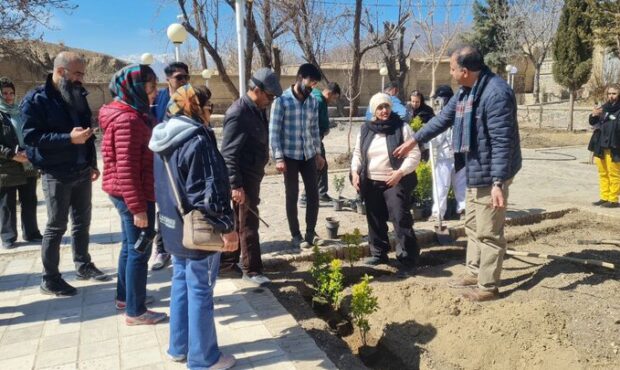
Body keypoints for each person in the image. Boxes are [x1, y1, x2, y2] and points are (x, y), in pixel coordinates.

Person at [393, 45, 522, 302]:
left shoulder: (495, 94)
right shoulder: (465, 92)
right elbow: (443, 120)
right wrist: (414, 140)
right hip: (474, 165)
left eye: (452, 68)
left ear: (464, 71)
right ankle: (474, 271)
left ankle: (488, 286)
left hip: (492, 171)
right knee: (473, 224)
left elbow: (502, 142)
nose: (450, 73)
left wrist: (498, 182)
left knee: (489, 232)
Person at [149, 84, 238, 370]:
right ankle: (204, 359)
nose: (211, 114)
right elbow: (208, 192)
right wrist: (226, 226)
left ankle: (179, 347)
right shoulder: (196, 140)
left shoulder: (162, 136)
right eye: (208, 108)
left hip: (172, 225)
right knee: (200, 288)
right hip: (197, 227)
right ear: (196, 107)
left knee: (180, 283)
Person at [21, 51, 109, 297]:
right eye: (78, 73)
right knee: (56, 226)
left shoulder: (78, 94)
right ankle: (50, 279)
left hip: (81, 170)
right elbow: (31, 137)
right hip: (56, 173)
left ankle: (83, 266)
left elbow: (85, 132)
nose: (82, 78)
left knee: (82, 223)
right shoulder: (36, 100)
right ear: (60, 72)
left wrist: (91, 162)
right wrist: (67, 138)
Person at [99, 64, 167, 325]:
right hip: (132, 194)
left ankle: (125, 297)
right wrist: (138, 208)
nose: (155, 93)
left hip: (129, 191)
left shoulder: (133, 113)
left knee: (130, 246)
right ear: (136, 89)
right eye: (151, 88)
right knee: (140, 249)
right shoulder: (127, 120)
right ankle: (136, 311)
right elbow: (126, 168)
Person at [219, 68, 282, 285]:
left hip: (252, 177)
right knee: (248, 223)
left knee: (240, 221)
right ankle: (252, 270)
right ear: (257, 89)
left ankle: (228, 264)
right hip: (243, 179)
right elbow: (228, 153)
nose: (271, 100)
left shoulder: (256, 108)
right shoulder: (238, 112)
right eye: (270, 96)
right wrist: (235, 185)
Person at [351, 93, 421, 267]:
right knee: (374, 218)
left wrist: (400, 172)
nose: (384, 111)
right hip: (371, 181)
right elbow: (358, 154)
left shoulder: (402, 128)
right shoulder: (366, 129)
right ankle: (379, 253)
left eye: (387, 107)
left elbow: (414, 155)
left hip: (394, 181)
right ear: (373, 110)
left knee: (400, 217)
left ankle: (407, 256)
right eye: (380, 108)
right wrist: (354, 172)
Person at [269, 63, 326, 249]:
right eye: (311, 82)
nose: (313, 87)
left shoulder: (312, 102)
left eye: (315, 84)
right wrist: (278, 157)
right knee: (291, 195)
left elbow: (314, 129)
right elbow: (274, 131)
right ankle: (296, 234)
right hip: (289, 156)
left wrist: (318, 153)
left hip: (308, 154)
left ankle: (311, 232)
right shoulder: (282, 101)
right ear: (301, 78)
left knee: (313, 194)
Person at [150, 61, 190, 271]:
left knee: (184, 204)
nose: (183, 81)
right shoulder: (159, 101)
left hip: (185, 161)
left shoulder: (191, 98)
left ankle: (185, 244)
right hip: (163, 161)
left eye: (186, 77)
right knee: (164, 206)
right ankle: (162, 248)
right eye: (179, 78)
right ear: (168, 80)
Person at [0, 77, 42, 249]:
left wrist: (31, 152)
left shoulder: (20, 111)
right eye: (5, 93)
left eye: (11, 93)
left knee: (29, 200)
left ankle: (31, 233)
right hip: (7, 166)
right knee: (7, 203)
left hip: (27, 164)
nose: (9, 96)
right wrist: (11, 155)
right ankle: (8, 236)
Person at [428, 85, 466, 220]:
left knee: (461, 184)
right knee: (441, 185)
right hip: (445, 156)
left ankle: (463, 210)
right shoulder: (440, 116)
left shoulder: (459, 114)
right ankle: (438, 213)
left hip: (460, 155)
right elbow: (435, 139)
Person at [300, 82, 342, 206]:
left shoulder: (320, 100)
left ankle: (322, 193)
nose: (334, 101)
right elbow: (312, 122)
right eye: (334, 98)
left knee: (322, 165)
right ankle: (305, 197)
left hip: (317, 138)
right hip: (314, 139)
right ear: (330, 93)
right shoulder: (317, 100)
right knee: (317, 166)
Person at [588, 83, 620, 208]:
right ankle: (604, 196)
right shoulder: (604, 108)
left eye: (614, 93)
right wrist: (594, 115)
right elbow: (593, 122)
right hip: (600, 144)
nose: (611, 96)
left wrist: (611, 119)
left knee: (614, 173)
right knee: (603, 172)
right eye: (609, 93)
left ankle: (613, 199)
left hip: (614, 145)